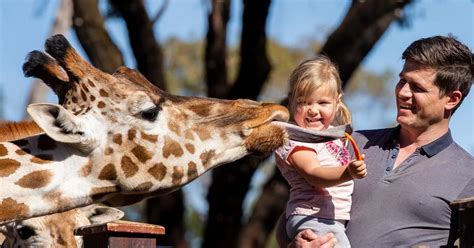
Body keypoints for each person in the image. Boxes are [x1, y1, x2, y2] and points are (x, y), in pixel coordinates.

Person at [277, 35, 473, 247]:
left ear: (452, 99)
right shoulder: (353, 144)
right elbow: (291, 218)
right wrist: (294, 244)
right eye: (402, 81)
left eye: (417, 87)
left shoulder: (468, 176)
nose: (403, 93)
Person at [275, 56, 367, 248]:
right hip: (313, 218)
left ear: (337, 101)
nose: (313, 110)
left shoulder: (332, 136)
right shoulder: (296, 138)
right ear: (291, 100)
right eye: (304, 102)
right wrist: (348, 172)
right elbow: (314, 174)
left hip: (327, 219)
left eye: (322, 103)